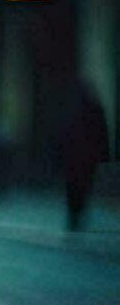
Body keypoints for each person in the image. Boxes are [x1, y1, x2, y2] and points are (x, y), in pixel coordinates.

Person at [59, 81, 111, 232]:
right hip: (87, 157)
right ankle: (77, 213)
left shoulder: (71, 109)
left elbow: (63, 134)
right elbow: (103, 134)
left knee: (73, 186)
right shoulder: (96, 109)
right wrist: (104, 155)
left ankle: (74, 215)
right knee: (83, 185)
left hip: (74, 157)